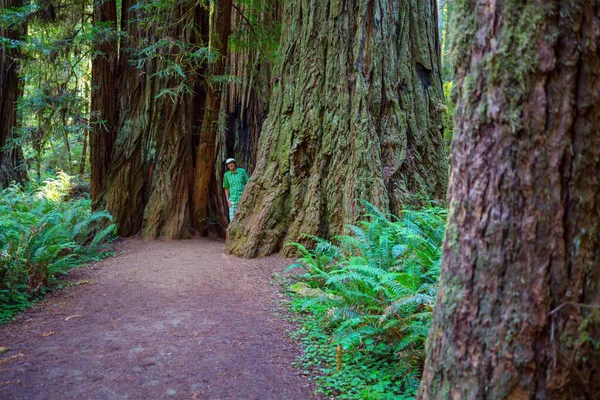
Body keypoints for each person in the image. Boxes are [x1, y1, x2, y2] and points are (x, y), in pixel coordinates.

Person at [222, 158, 249, 223]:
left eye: (232, 163)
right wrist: (228, 200)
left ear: (235, 164)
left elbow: (249, 183)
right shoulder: (226, 175)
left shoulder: (242, 171)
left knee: (244, 218)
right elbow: (226, 188)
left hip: (243, 199)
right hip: (232, 200)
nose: (231, 165)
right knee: (232, 220)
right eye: (229, 164)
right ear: (227, 166)